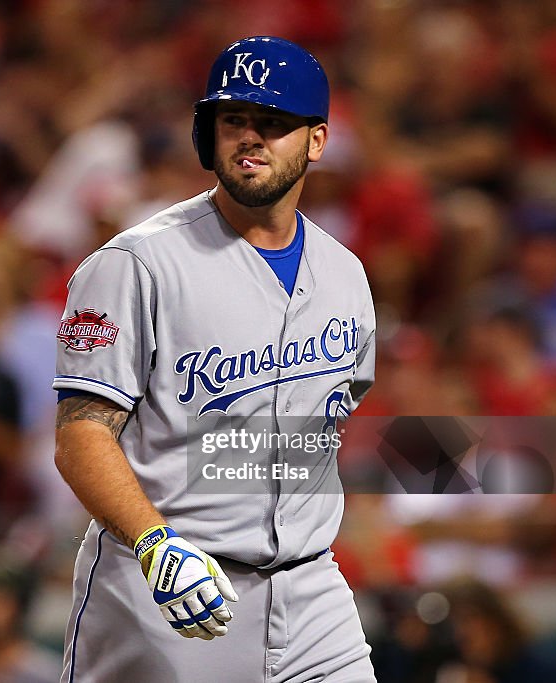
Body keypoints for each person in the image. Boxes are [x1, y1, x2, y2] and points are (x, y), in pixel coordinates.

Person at [53, 37, 377, 681]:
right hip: (164, 596)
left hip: (312, 594)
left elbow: (334, 416)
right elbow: (81, 436)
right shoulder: (135, 264)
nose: (250, 138)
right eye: (234, 120)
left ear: (317, 142)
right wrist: (155, 543)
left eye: (273, 123)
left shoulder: (345, 274)